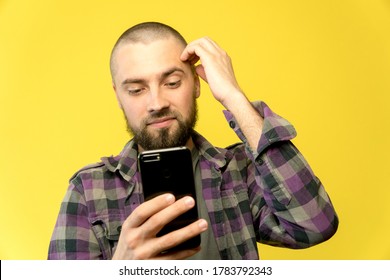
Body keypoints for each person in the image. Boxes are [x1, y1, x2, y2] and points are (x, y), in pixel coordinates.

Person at [48, 22, 338, 260]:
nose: (157, 102)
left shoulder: (240, 171)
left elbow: (315, 225)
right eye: (136, 90)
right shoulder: (87, 190)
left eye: (172, 83)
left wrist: (234, 97)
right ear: (118, 97)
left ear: (197, 83)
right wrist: (120, 270)